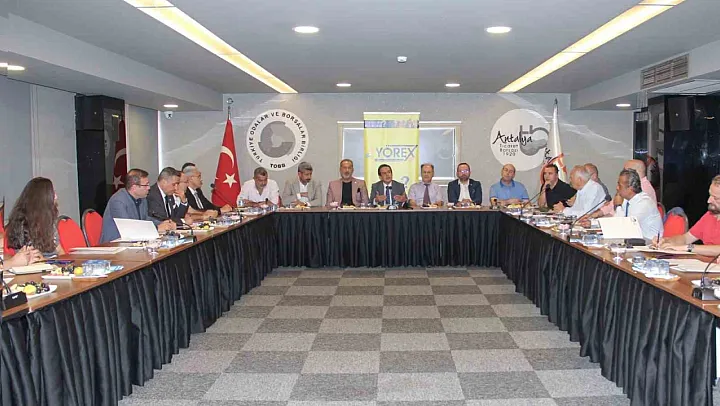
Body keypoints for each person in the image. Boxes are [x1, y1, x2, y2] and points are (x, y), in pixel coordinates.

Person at [101, 169, 175, 243]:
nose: (149, 188)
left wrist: (163, 224)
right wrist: (157, 228)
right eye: (146, 185)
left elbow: (145, 219)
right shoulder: (118, 201)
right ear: (134, 187)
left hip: (134, 241)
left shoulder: (142, 198)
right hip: (114, 243)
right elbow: (128, 227)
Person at [656, 175, 720, 255]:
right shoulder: (710, 215)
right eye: (710, 195)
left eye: (715, 198)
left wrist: (688, 248)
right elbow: (686, 238)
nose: (709, 201)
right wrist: (666, 241)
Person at [5, 177, 65, 256]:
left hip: (53, 262)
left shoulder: (48, 220)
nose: (56, 197)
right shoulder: (23, 224)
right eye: (53, 193)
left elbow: (59, 250)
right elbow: (30, 258)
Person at [613, 169, 663, 240]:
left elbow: (625, 228)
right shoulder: (626, 200)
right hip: (634, 241)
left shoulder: (644, 203)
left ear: (630, 188)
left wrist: (618, 206)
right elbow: (616, 224)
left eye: (620, 185)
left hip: (650, 243)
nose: (617, 188)